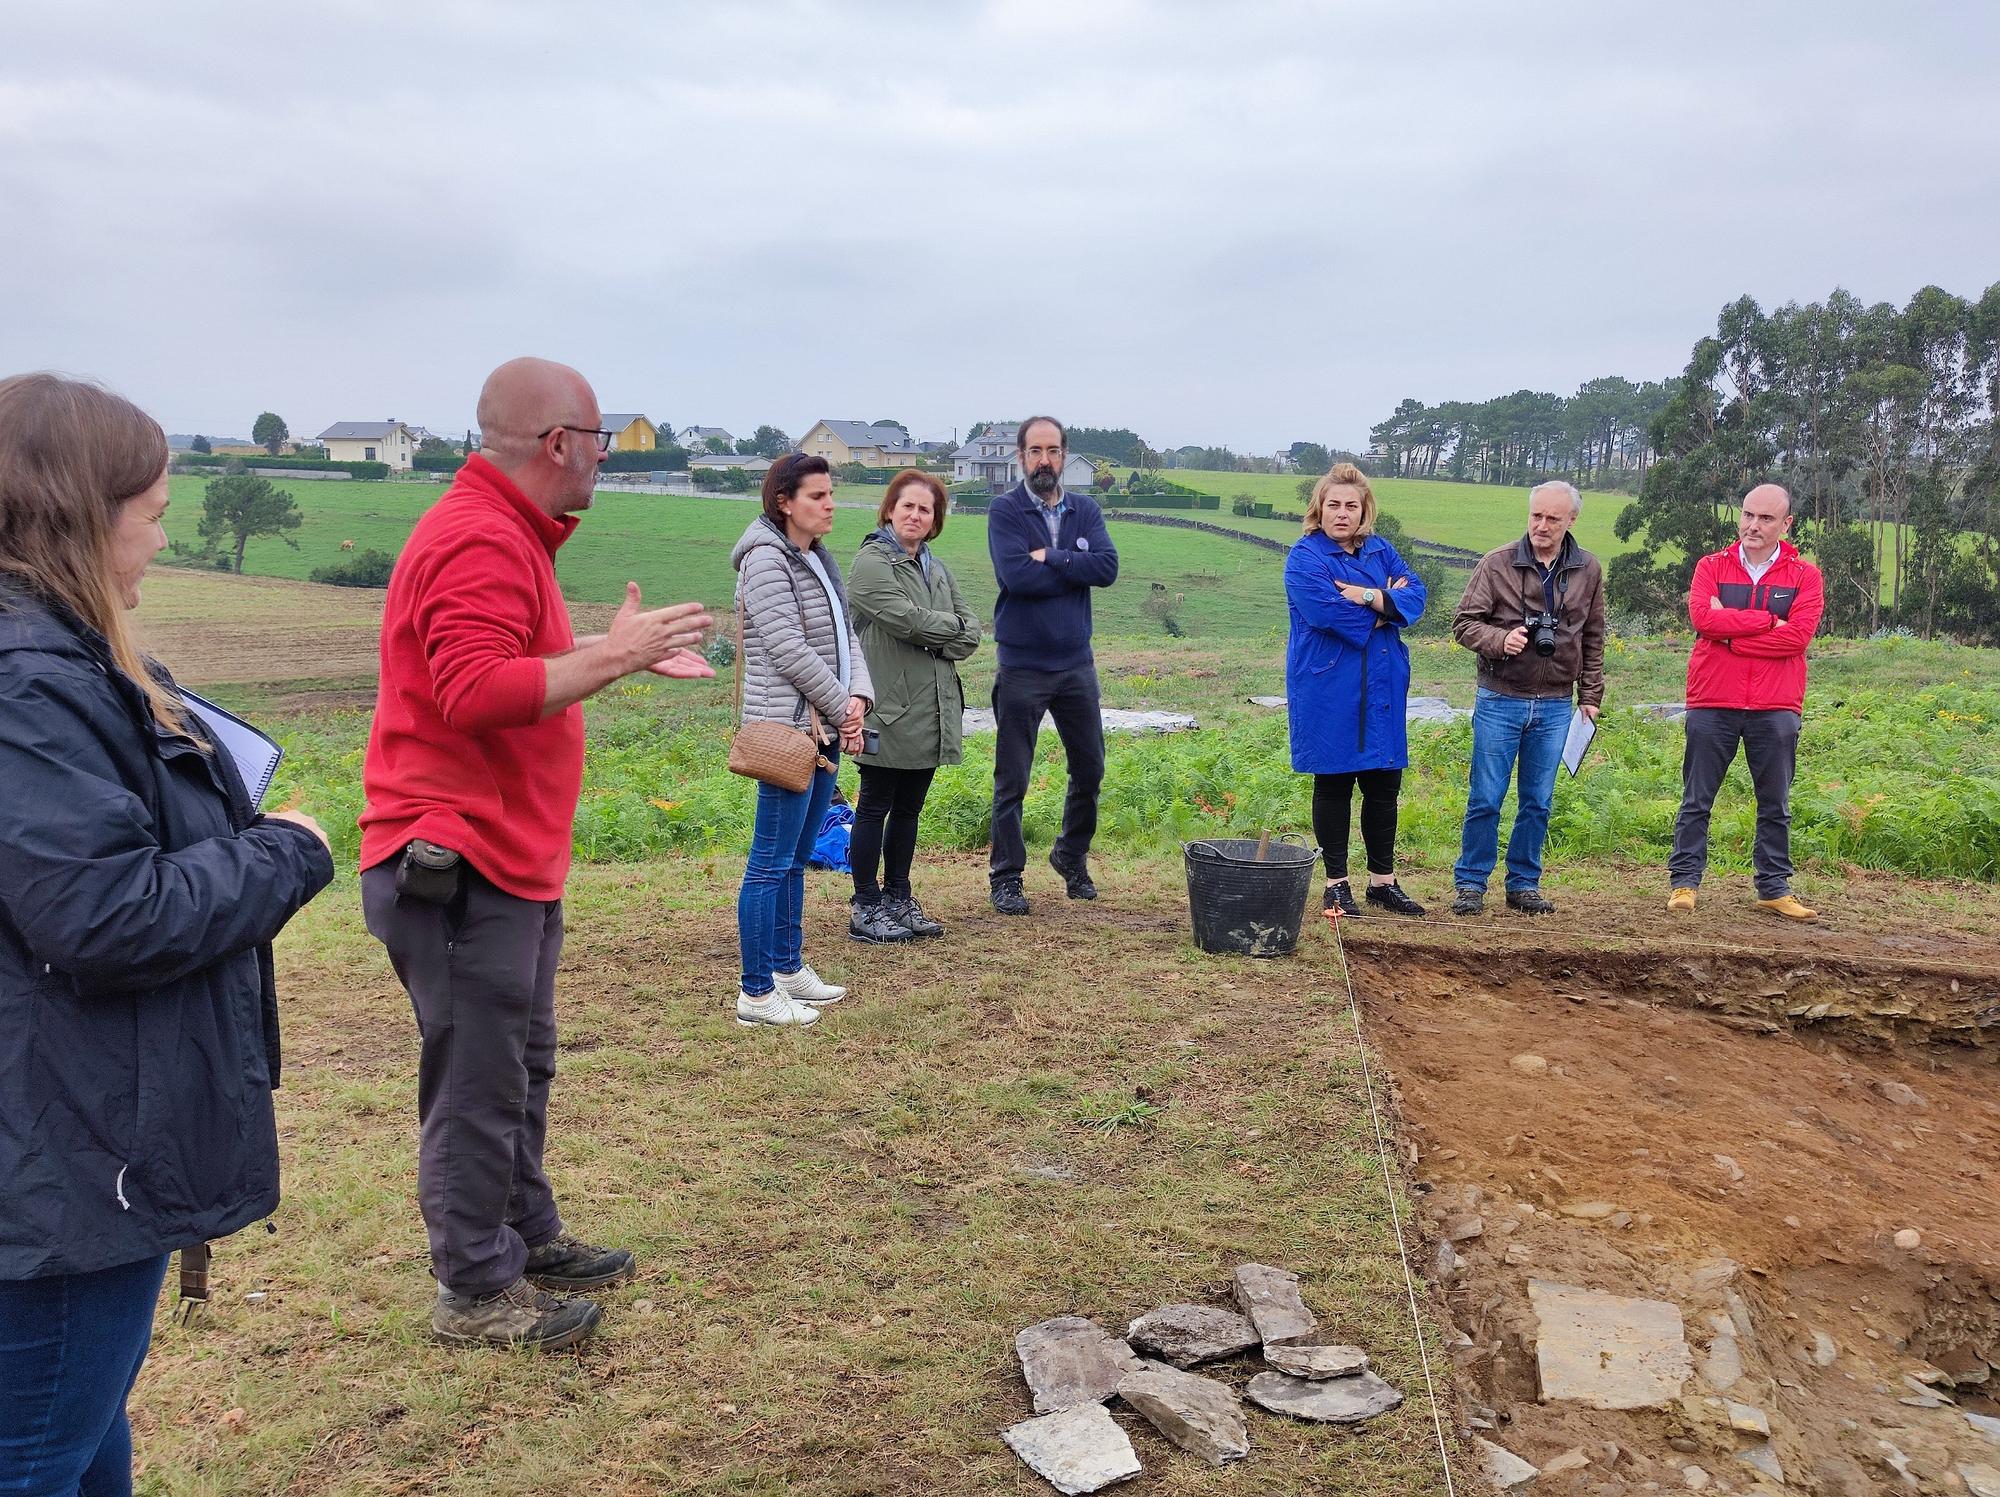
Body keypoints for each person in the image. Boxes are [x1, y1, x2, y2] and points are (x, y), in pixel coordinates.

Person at [0, 373, 335, 1493]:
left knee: (82, 1438)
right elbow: (102, 914)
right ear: (82, 515)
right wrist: (288, 848)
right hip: (58, 1159)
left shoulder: (68, 661)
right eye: (150, 508)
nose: (164, 529)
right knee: (38, 1450)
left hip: (76, 1141)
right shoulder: (29, 686)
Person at [359, 358, 713, 1351]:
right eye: (600, 441)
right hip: (456, 862)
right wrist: (612, 655)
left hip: (504, 857)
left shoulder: (507, 533)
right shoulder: (477, 538)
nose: (604, 458)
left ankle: (522, 1232)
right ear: (559, 444)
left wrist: (592, 653)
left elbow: (511, 675)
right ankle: (473, 1288)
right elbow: (472, 691)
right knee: (478, 1077)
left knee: (518, 1061)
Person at [732, 453, 873, 1015]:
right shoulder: (767, 560)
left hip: (824, 725)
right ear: (783, 502)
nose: (830, 504)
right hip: (791, 730)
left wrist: (857, 697)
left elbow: (845, 636)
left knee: (794, 857)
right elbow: (789, 649)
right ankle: (756, 990)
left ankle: (787, 968)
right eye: (817, 495)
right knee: (769, 860)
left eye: (831, 493)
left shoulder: (814, 558)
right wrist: (843, 709)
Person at [1448, 481, 1607, 916]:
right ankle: (1471, 883)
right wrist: (1502, 639)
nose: (1541, 525)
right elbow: (1463, 623)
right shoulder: (1497, 564)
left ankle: (1523, 884)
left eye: (1552, 518)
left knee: (1538, 800)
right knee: (1486, 795)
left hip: (1557, 702)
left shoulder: (1588, 570)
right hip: (1501, 697)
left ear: (1571, 520)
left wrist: (1590, 696)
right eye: (1536, 515)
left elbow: (1593, 637)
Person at [1667, 483, 1824, 920]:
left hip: (1777, 705)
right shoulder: (1710, 566)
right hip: (1712, 699)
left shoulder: (1805, 576)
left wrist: (1730, 636)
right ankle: (1684, 883)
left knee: (1775, 801)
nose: (1753, 525)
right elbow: (1702, 617)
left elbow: (1798, 637)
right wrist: (1766, 622)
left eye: (1766, 518)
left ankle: (1773, 888)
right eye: (1748, 515)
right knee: (1697, 798)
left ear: (1786, 524)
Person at [986, 417, 1119, 915]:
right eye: (1035, 450)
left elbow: (1107, 569)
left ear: (1064, 456)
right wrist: (1072, 566)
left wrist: (1054, 558)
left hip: (1076, 665)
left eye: (1054, 450)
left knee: (1090, 768)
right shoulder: (1006, 510)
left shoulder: (1085, 508)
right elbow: (1016, 576)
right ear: (1021, 457)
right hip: (1022, 664)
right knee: (1013, 777)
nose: (1045, 459)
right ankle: (1006, 877)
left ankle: (1070, 854)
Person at [1284, 462, 1429, 918]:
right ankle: (1336, 884)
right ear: (1319, 509)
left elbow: (1417, 597)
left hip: (1383, 681)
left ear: (1364, 509)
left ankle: (1383, 882)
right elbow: (1330, 615)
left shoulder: (1381, 549)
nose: (1342, 514)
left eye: (1351, 505)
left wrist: (1366, 595)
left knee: (1384, 783)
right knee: (1335, 782)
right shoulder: (1305, 558)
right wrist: (1388, 603)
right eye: (1333, 505)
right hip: (1329, 684)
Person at [846, 470, 982, 942]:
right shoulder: (870, 563)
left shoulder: (937, 569)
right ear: (889, 510)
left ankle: (899, 899)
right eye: (908, 506)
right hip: (888, 709)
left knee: (909, 809)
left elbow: (972, 632)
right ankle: (864, 904)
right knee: (874, 806)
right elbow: (903, 621)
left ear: (935, 520)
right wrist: (947, 629)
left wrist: (941, 630)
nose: (916, 515)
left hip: (934, 711)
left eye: (926, 509)